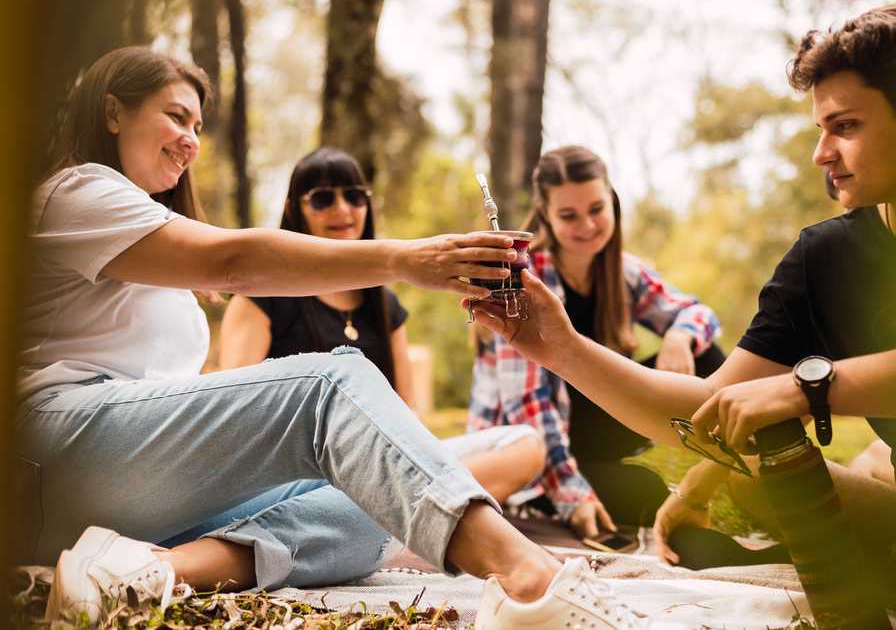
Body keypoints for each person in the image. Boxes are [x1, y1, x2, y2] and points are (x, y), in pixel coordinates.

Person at [15, 46, 646, 630]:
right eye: (176, 117)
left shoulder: (139, 228)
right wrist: (406, 258)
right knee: (328, 381)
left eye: (199, 128)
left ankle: (143, 572)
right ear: (112, 112)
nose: (190, 140)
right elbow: (231, 261)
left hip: (122, 484)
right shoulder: (76, 192)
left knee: (375, 485)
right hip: (55, 449)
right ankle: (528, 580)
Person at [469, 3, 896, 622]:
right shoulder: (823, 257)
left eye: (845, 126)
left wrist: (807, 390)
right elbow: (709, 414)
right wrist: (559, 345)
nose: (821, 153)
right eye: (820, 129)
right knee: (754, 470)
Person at [219, 146, 545, 503]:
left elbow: (408, 414)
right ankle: (406, 512)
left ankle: (397, 511)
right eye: (323, 199)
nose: (342, 209)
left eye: (354, 197)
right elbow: (238, 418)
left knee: (524, 447)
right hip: (302, 476)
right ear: (294, 209)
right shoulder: (261, 297)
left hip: (386, 465)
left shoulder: (385, 304)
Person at [469, 145, 723, 535]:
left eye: (596, 209)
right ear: (547, 218)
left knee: (709, 357)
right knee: (646, 495)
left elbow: (699, 314)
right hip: (536, 448)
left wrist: (678, 335)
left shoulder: (623, 272)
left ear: (612, 203)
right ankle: (560, 493)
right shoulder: (522, 279)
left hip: (594, 425)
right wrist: (573, 496)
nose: (587, 225)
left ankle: (738, 473)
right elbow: (528, 404)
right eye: (569, 215)